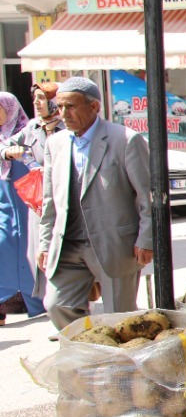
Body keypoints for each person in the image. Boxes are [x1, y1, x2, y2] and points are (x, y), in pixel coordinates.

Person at [37, 77, 152, 328]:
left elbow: (147, 196)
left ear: (94, 106)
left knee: (118, 319)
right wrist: (45, 243)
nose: (64, 114)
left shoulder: (125, 139)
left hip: (113, 244)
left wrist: (146, 239)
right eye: (60, 107)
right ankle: (88, 353)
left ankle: (116, 365)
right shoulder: (55, 143)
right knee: (57, 305)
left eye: (71, 106)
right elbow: (49, 201)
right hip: (68, 244)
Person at [4, 82, 62, 311]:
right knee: (37, 254)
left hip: (66, 198)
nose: (37, 104)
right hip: (39, 202)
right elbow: (7, 145)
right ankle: (50, 306)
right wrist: (8, 151)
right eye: (35, 98)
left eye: (41, 98)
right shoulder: (32, 127)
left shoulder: (67, 128)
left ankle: (67, 307)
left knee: (65, 254)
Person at [0, 93, 42, 320]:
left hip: (28, 204)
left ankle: (35, 300)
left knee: (30, 249)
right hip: (4, 205)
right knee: (3, 246)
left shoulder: (28, 132)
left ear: (10, 109)